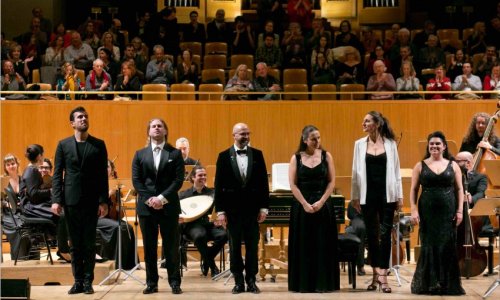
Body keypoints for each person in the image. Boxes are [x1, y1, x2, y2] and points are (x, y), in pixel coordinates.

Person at [51, 106, 109, 295]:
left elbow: (102, 176)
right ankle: (77, 281)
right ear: (72, 123)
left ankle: (87, 281)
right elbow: (57, 174)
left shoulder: (99, 144)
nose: (83, 119)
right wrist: (56, 200)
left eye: (85, 116)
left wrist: (103, 201)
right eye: (79, 117)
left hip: (91, 200)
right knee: (74, 244)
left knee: (89, 243)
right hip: (71, 200)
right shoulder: (63, 144)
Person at [351, 111, 403, 293]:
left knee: (385, 233)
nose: (363, 124)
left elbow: (396, 172)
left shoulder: (390, 144)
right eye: (363, 121)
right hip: (367, 195)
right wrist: (355, 196)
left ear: (377, 124)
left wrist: (400, 196)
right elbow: (355, 174)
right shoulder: (358, 145)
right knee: (372, 235)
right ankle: (375, 275)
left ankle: (383, 275)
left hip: (387, 195)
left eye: (367, 121)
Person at [214, 123, 269, 294]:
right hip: (232, 211)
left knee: (253, 246)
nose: (246, 136)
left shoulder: (258, 155)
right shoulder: (223, 156)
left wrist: (264, 208)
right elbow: (218, 185)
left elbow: (263, 184)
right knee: (235, 246)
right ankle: (238, 281)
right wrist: (221, 211)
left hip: (252, 210)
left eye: (247, 133)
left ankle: (251, 280)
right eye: (242, 134)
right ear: (234, 135)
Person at [132, 118, 184, 294]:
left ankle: (175, 282)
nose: (156, 128)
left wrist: (161, 199)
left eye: (159, 126)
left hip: (168, 207)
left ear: (165, 131)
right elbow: (137, 181)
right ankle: (151, 283)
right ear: (149, 131)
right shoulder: (139, 154)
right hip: (146, 209)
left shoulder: (175, 154)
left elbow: (178, 181)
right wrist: (150, 200)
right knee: (149, 247)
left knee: (171, 247)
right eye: (153, 126)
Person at [410, 131, 465, 295]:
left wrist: (460, 210)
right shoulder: (419, 165)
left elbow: (460, 188)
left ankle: (446, 283)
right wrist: (413, 209)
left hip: (448, 210)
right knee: (429, 244)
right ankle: (430, 283)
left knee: (447, 244)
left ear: (444, 147)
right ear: (428, 146)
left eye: (437, 144)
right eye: (431, 144)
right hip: (427, 211)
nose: (434, 146)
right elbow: (413, 189)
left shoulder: (453, 165)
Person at [288, 125, 340, 292]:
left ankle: (323, 283)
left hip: (322, 205)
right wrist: (304, 203)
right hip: (302, 206)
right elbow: (293, 184)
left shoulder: (326, 156)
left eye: (319, 137)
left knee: (322, 244)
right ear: (304, 140)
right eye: (313, 139)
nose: (317, 141)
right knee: (304, 244)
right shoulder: (296, 158)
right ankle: (304, 284)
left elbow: (332, 182)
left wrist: (321, 201)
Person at [179, 166, 227, 277]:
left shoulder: (212, 193)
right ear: (192, 178)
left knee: (224, 235)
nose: (203, 177)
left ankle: (207, 260)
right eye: (200, 175)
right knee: (200, 236)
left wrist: (218, 217)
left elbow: (218, 210)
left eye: (205, 175)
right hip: (191, 226)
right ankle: (213, 266)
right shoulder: (183, 195)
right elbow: (179, 212)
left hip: (209, 224)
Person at [345, 201, 366, 276]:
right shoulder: (353, 202)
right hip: (358, 219)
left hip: (372, 218)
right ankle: (360, 265)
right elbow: (350, 215)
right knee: (361, 229)